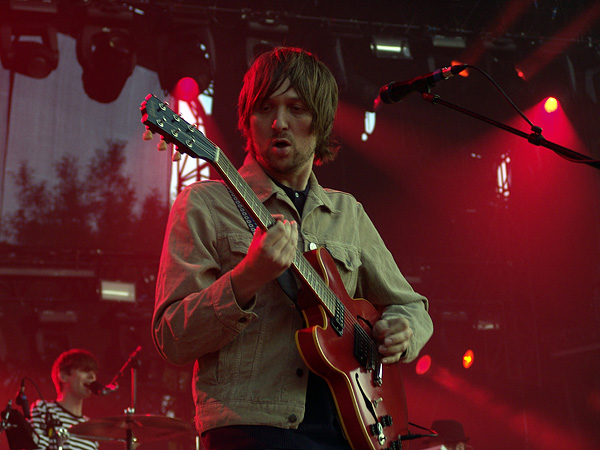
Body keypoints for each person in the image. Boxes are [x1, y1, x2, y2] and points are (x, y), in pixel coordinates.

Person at [152, 46, 434, 450]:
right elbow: (171, 337)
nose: (279, 122)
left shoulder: (347, 212)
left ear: (320, 122)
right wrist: (247, 278)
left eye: (296, 108)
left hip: (355, 427)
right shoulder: (205, 205)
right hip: (254, 429)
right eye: (265, 108)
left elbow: (413, 306)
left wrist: (402, 332)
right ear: (248, 120)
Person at [29, 349, 100, 450]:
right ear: (63, 376)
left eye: (94, 372)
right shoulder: (44, 409)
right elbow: (37, 447)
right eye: (85, 370)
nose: (92, 377)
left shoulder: (90, 427)